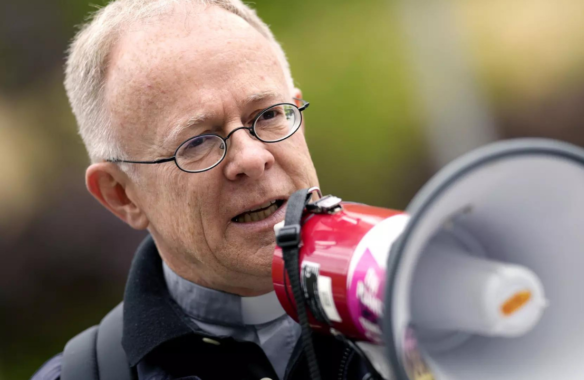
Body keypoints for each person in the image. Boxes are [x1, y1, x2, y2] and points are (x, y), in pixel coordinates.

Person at [31, 0, 373, 379]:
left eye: (269, 115)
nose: (251, 158)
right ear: (121, 195)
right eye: (197, 142)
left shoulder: (430, 299)